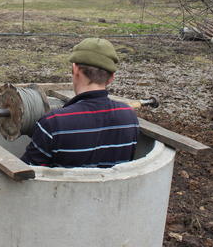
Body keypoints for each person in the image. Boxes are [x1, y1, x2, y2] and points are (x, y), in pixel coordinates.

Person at [21, 38, 138, 168]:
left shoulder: (52, 123)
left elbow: (26, 174)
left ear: (75, 69)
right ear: (111, 78)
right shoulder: (129, 117)